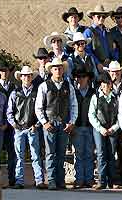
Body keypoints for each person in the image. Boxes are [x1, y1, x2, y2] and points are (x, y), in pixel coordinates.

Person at [35, 58, 78, 190]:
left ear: (63, 69)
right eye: (55, 68)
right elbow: (38, 107)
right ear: (51, 70)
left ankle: (61, 180)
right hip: (50, 123)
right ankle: (52, 180)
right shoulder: (44, 86)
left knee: (61, 153)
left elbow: (73, 105)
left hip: (64, 123)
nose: (57, 70)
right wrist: (44, 122)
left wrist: (72, 122)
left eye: (59, 68)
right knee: (50, 153)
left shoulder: (68, 86)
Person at [6, 66, 44, 189]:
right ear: (21, 77)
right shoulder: (15, 93)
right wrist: (14, 125)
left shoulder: (37, 92)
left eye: (29, 76)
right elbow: (9, 112)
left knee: (36, 156)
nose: (26, 78)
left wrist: (37, 125)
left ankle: (39, 180)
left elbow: (40, 110)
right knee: (19, 156)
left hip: (32, 127)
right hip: (19, 129)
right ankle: (19, 181)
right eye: (24, 76)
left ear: (31, 77)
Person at [88, 71, 120, 190]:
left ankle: (112, 181)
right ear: (101, 84)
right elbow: (91, 115)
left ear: (111, 84)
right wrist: (100, 128)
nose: (106, 85)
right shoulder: (95, 97)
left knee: (111, 154)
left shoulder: (116, 97)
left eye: (108, 83)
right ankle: (101, 181)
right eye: (104, 83)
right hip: (99, 129)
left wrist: (114, 128)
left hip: (112, 128)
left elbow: (120, 115)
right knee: (101, 153)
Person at [71, 64, 95, 189]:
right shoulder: (73, 93)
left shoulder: (93, 93)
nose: (80, 79)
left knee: (90, 154)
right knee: (79, 154)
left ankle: (89, 179)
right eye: (78, 77)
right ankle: (79, 179)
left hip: (91, 127)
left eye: (83, 77)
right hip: (77, 127)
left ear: (88, 78)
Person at [104, 60, 122, 185]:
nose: (115, 74)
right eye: (112, 72)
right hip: (111, 123)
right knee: (111, 152)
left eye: (117, 72)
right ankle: (112, 179)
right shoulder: (105, 85)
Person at [0, 60, 17, 187]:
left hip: (10, 126)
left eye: (6, 70)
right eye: (2, 70)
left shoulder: (14, 86)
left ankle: (12, 179)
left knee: (12, 154)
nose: (4, 73)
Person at [84, 4, 118, 73]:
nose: (101, 18)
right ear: (93, 17)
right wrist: (97, 63)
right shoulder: (88, 32)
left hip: (110, 66)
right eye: (98, 16)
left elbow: (114, 48)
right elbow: (87, 51)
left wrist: (115, 60)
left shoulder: (108, 32)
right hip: (95, 67)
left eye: (103, 17)